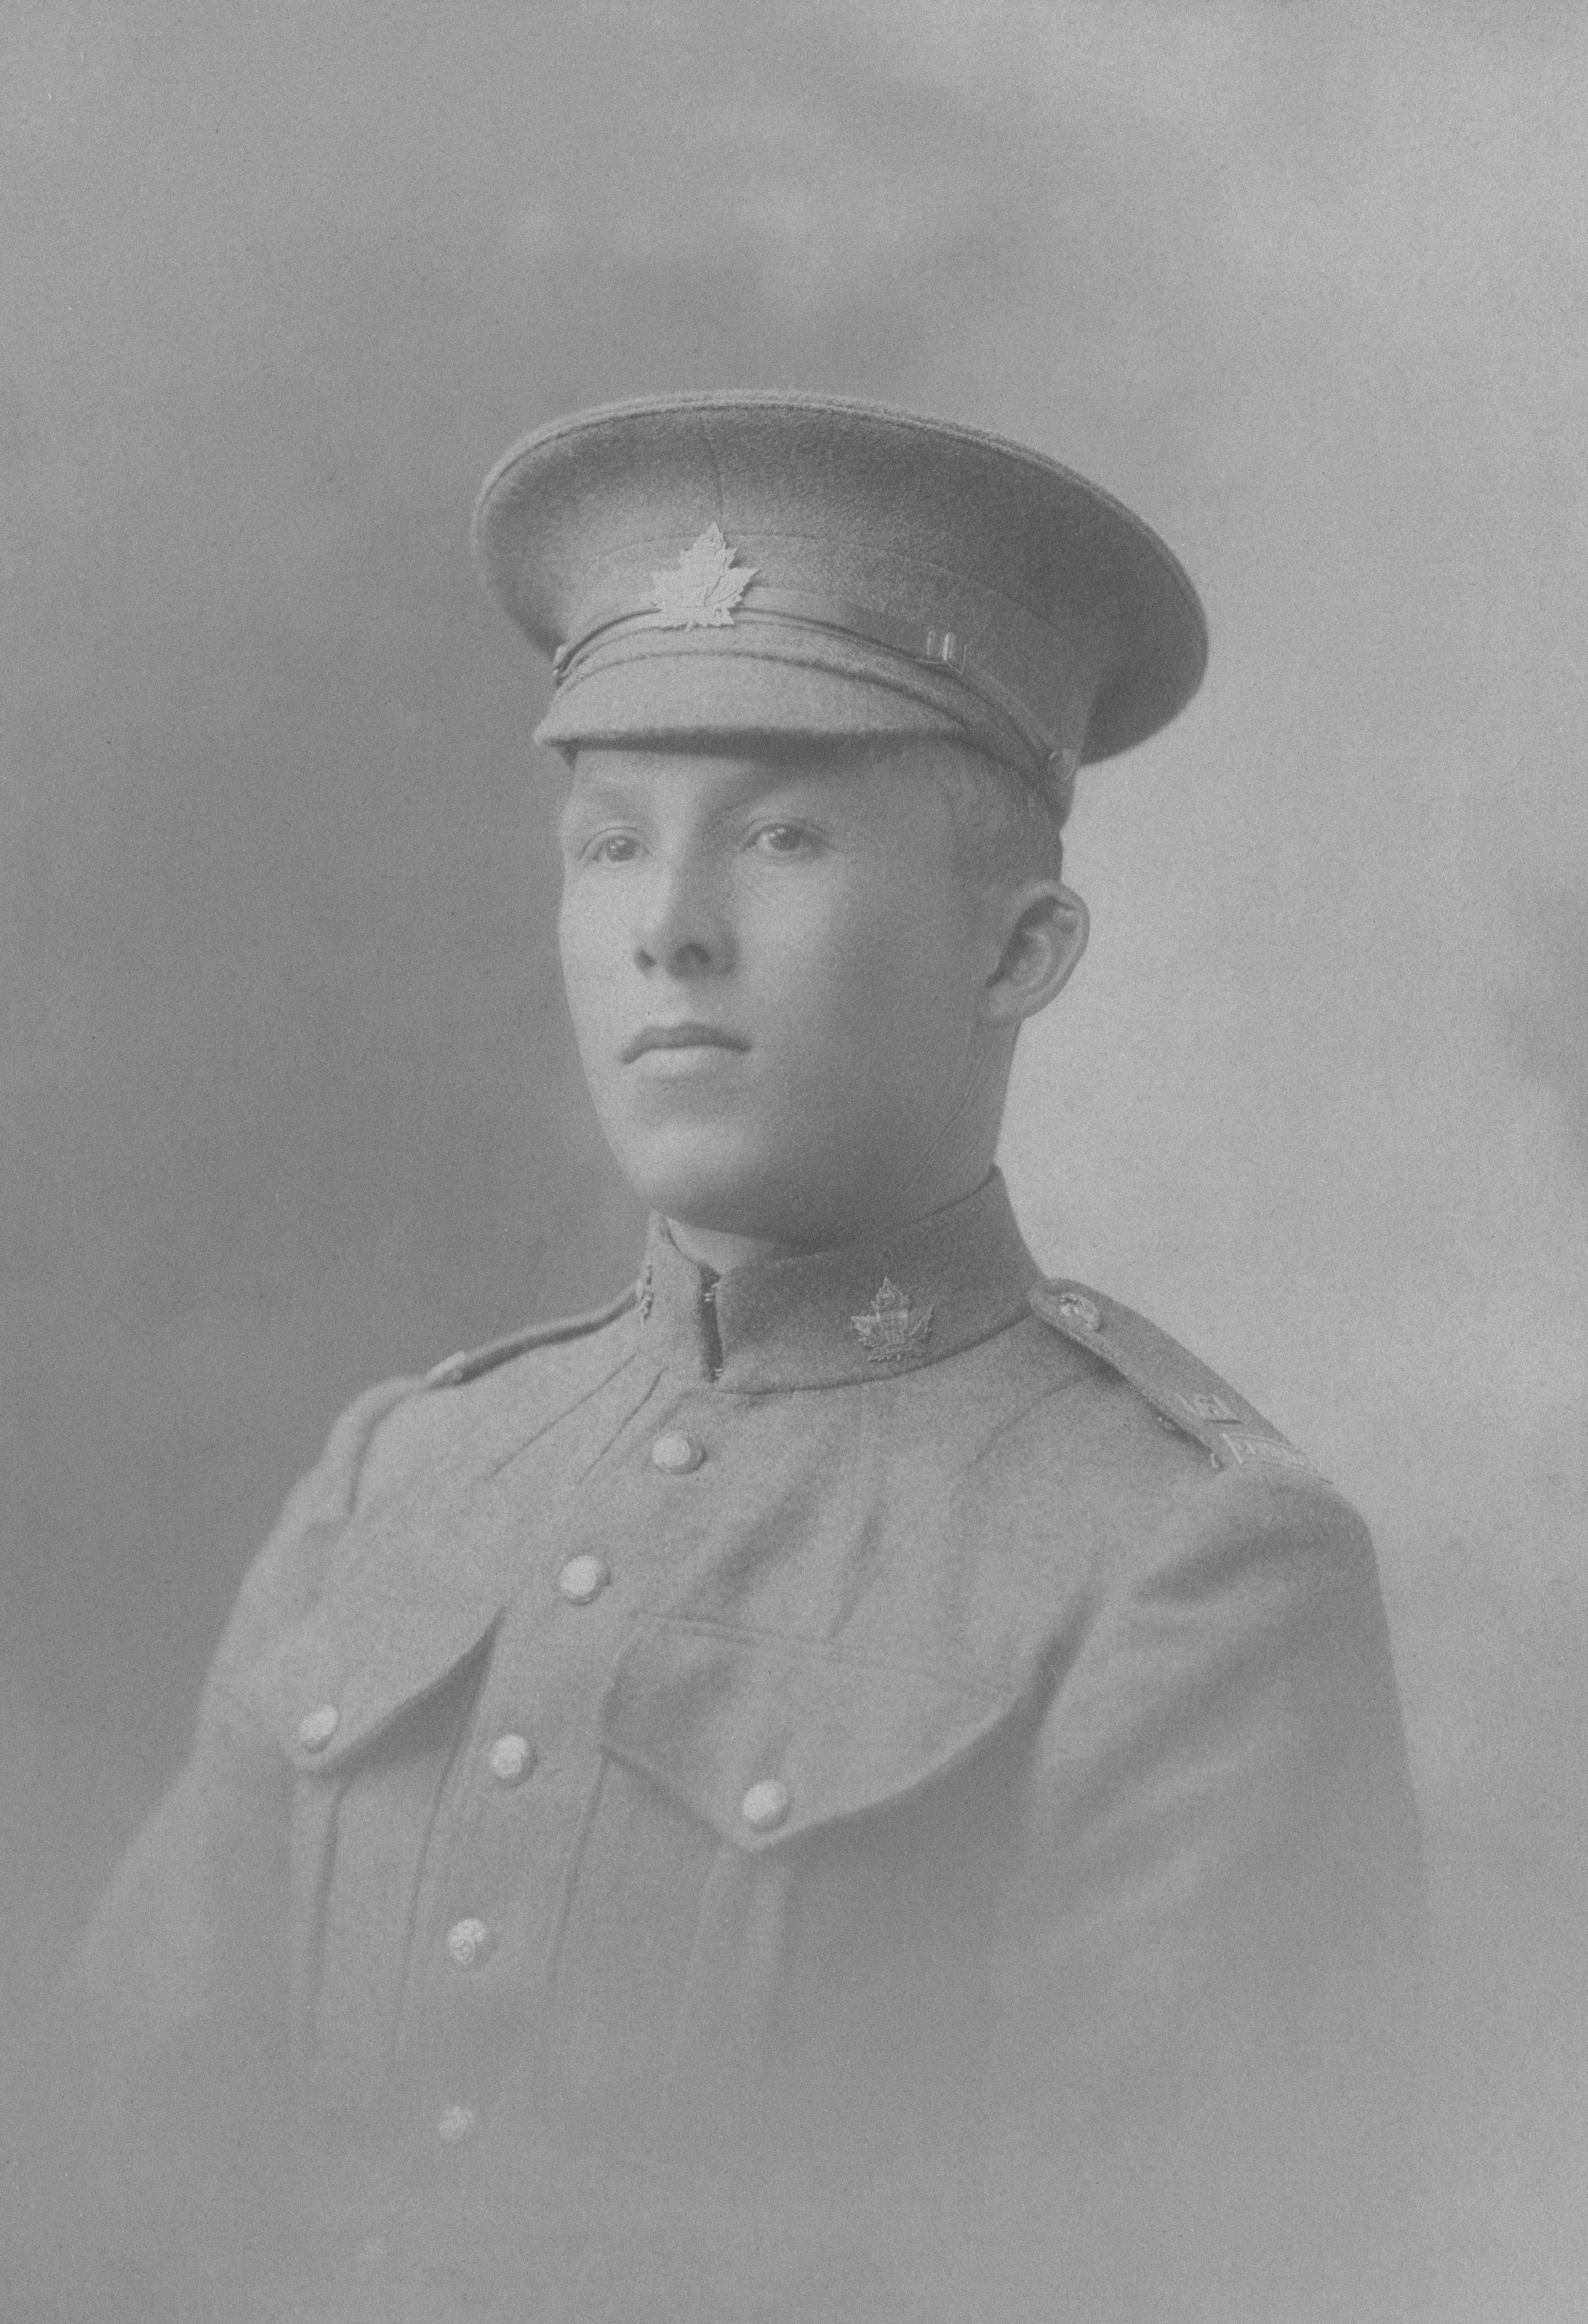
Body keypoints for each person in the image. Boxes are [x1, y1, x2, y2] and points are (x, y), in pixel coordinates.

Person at [9, 393, 1426, 2323]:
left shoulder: (1178, 1568)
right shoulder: (403, 1479)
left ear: (1017, 951)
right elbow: (101, 2203)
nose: (668, 930)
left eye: (779, 833)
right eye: (607, 845)